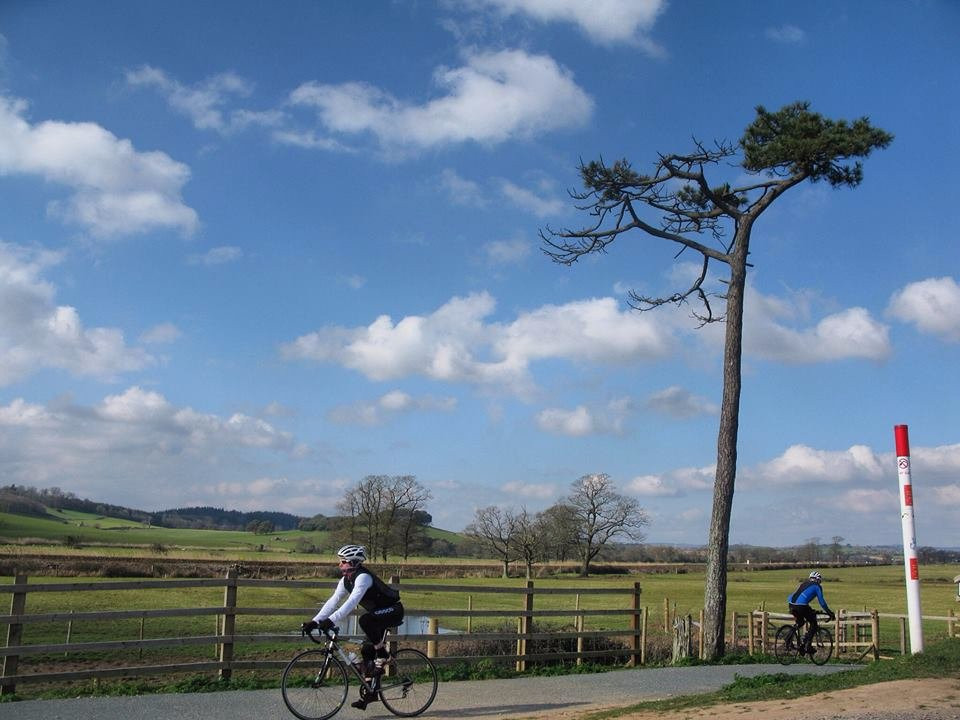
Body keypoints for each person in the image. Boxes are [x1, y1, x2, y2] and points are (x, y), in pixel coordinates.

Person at [301, 544, 403, 711]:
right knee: (367, 651)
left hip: (393, 610)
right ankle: (371, 692)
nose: (339, 564)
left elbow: (351, 603)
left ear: (354, 562)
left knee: (365, 620)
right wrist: (315, 621)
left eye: (343, 561)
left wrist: (331, 621)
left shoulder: (363, 578)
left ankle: (383, 654)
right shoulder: (345, 581)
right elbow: (333, 602)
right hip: (377, 614)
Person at [787, 570, 835, 654]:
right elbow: (822, 602)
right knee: (814, 624)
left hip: (791, 604)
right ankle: (807, 646)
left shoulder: (803, 583)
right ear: (818, 580)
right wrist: (829, 612)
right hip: (802, 606)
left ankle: (788, 638)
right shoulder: (817, 586)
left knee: (800, 622)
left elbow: (793, 595)